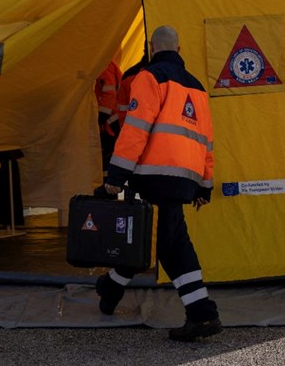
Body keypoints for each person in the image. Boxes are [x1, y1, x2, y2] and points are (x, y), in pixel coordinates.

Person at [95, 25, 221, 342]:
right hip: (185, 180)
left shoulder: (148, 79)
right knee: (156, 238)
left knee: (165, 243)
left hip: (153, 175)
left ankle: (202, 315)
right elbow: (207, 141)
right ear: (179, 51)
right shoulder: (197, 88)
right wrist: (205, 186)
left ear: (152, 49)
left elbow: (135, 130)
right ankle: (111, 287)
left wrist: (115, 177)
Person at [94, 58, 122, 172]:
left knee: (107, 152)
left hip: (110, 119)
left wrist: (101, 116)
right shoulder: (105, 63)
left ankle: (105, 184)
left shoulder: (104, 64)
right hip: (110, 118)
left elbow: (110, 93)